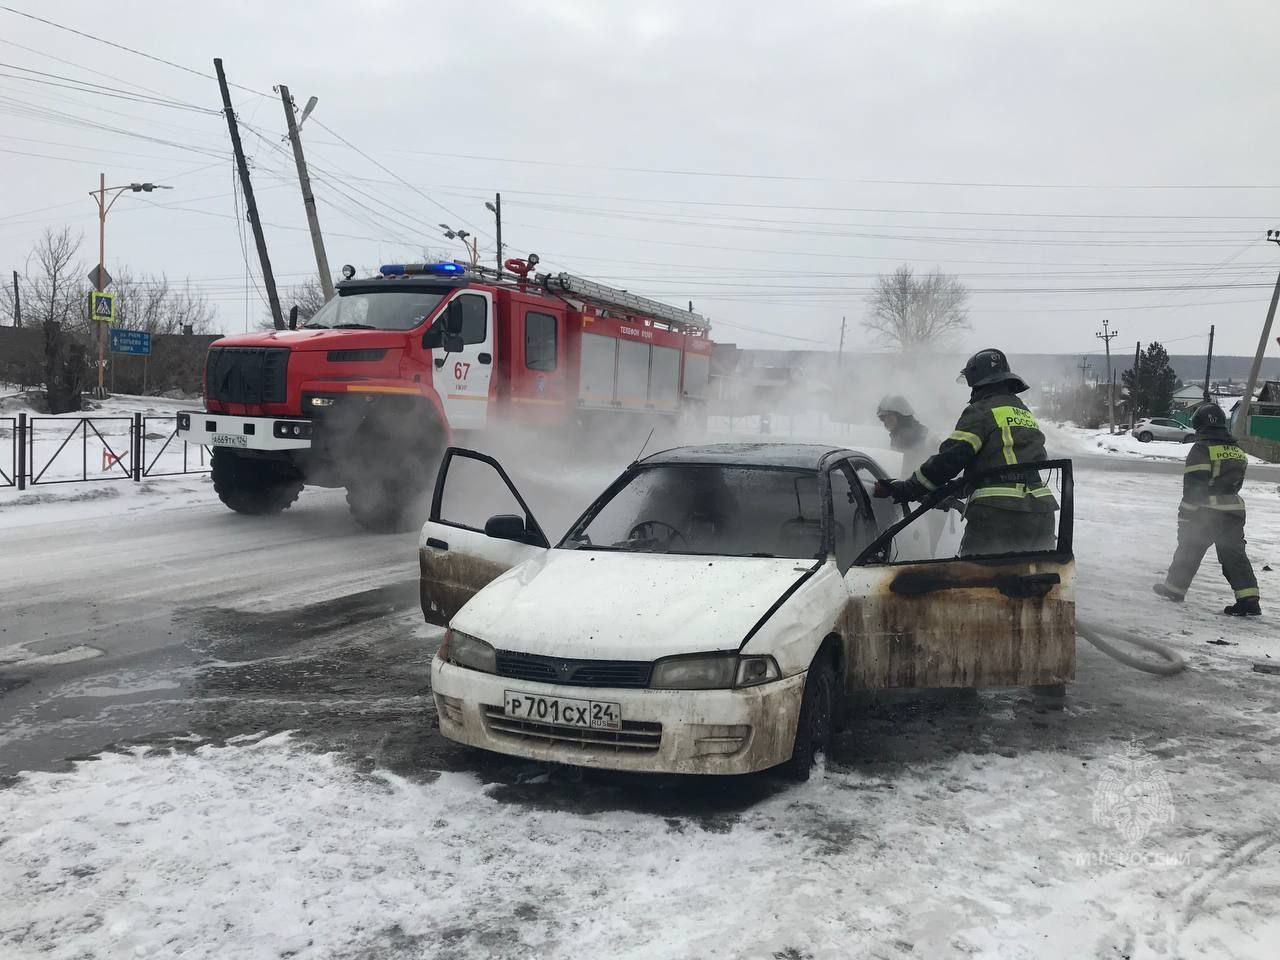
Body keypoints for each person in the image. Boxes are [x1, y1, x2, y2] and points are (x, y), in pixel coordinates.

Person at [873, 348, 1058, 556]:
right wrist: (952, 492)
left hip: (999, 515)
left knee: (978, 575)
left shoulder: (982, 411)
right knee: (1034, 573)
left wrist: (909, 488)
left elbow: (951, 459)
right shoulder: (1022, 411)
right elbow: (1002, 469)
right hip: (1041, 513)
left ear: (979, 382)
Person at [1152, 402, 1260, 616]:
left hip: (1206, 512)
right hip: (1234, 511)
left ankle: (1174, 590)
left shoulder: (1202, 449)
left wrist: (1185, 518)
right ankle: (1249, 600)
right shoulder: (1237, 450)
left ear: (1201, 425)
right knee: (1233, 555)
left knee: (1189, 549)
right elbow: (1235, 484)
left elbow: (1194, 489)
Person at [876, 395, 938, 478]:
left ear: (901, 416)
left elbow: (938, 468)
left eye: (889, 416)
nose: (886, 421)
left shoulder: (927, 437)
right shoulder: (896, 438)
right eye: (883, 418)